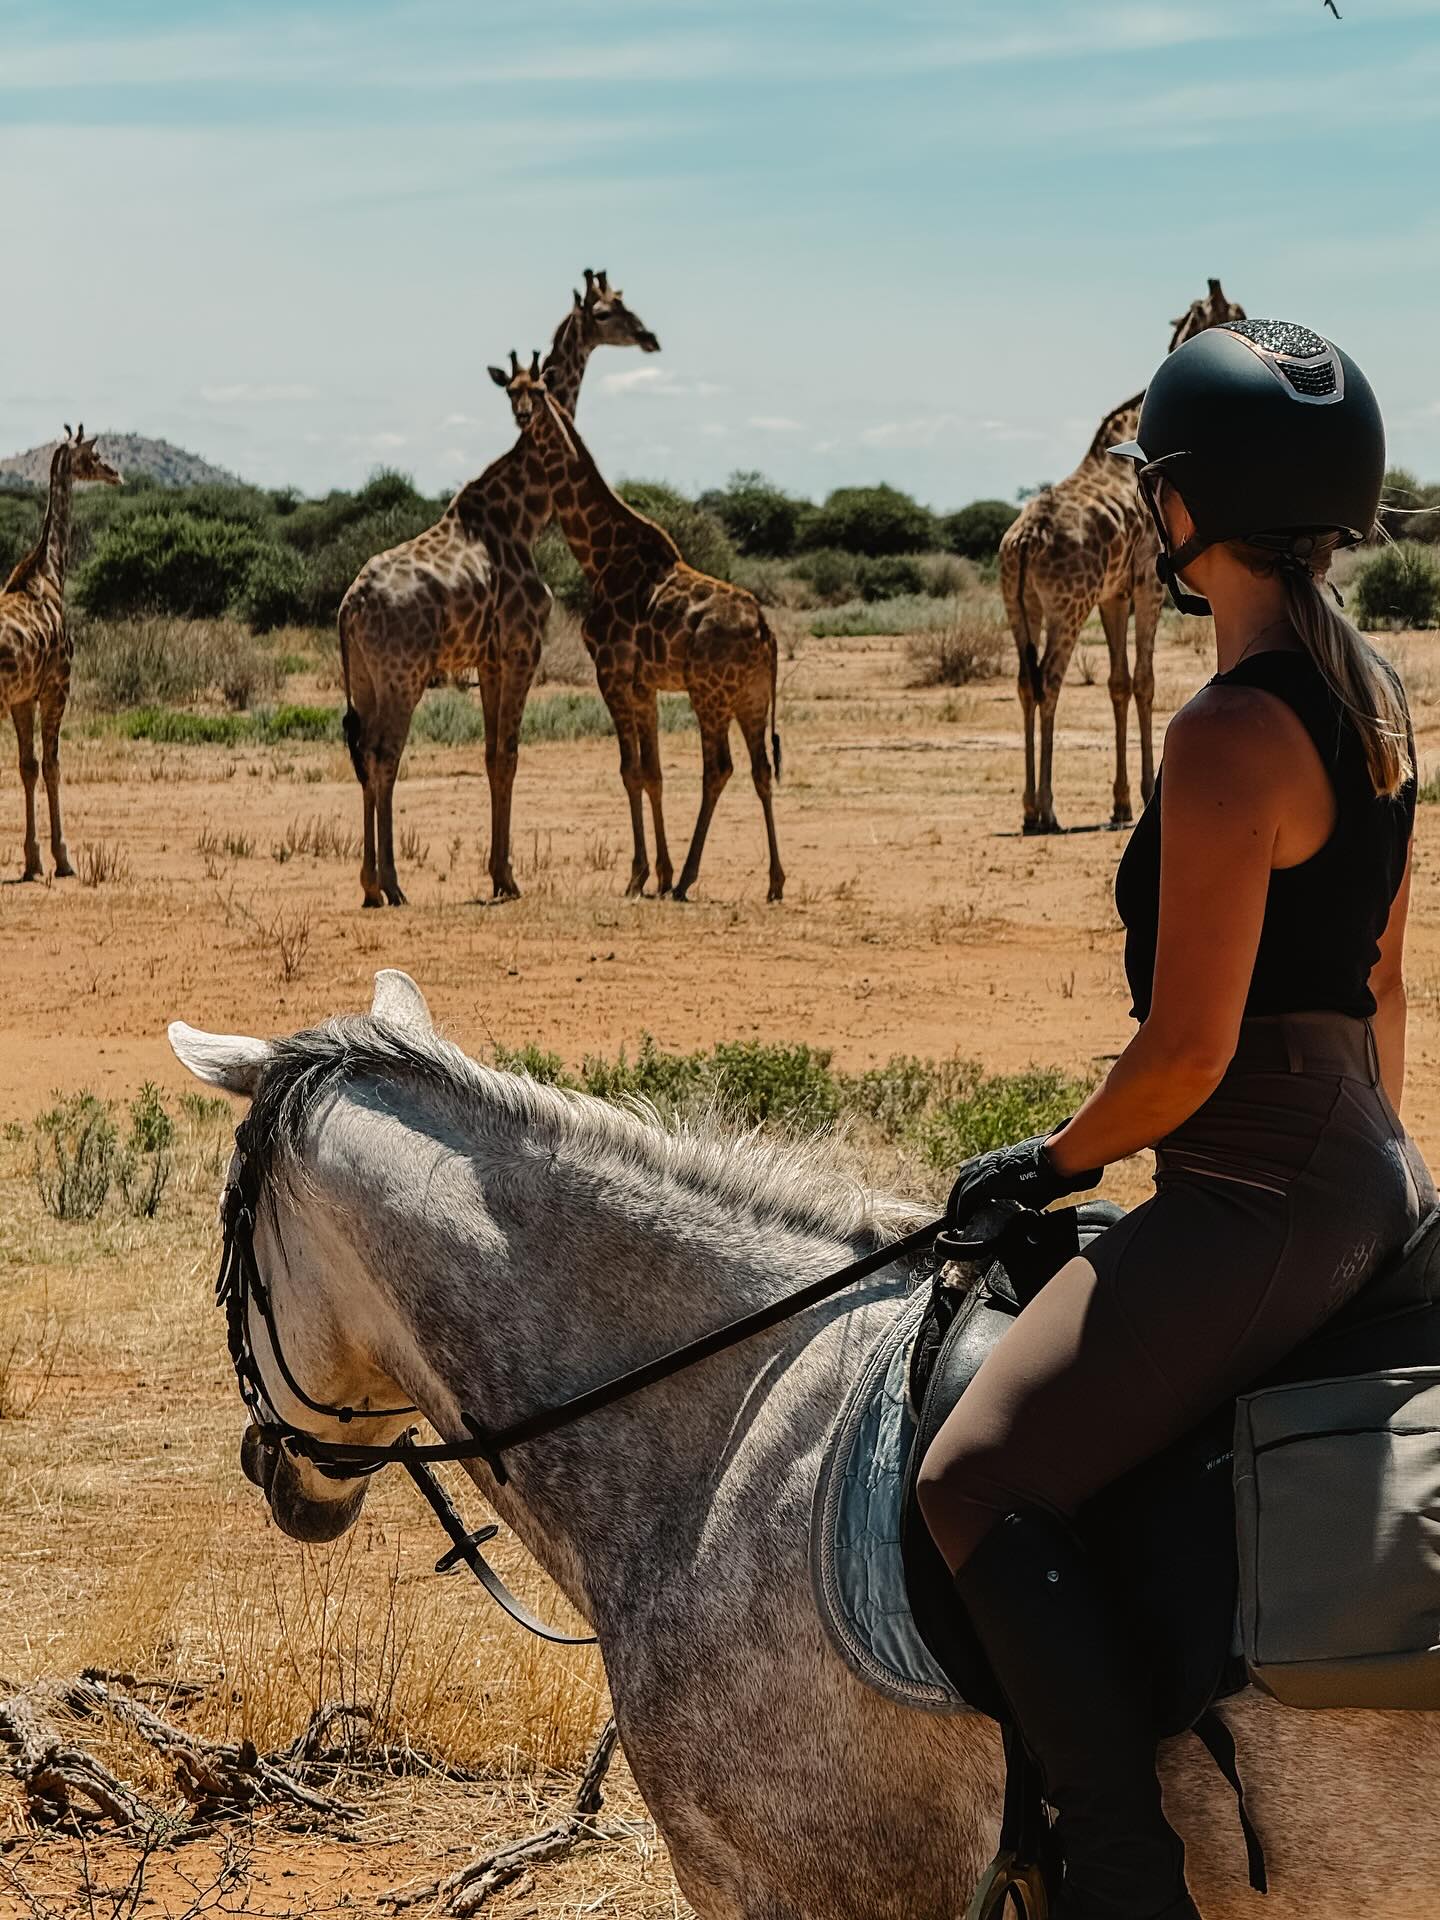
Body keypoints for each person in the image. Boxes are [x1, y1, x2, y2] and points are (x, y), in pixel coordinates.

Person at [917, 319, 1435, 1920]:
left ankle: (1122, 1873)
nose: (1144, 517)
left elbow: (1187, 1054)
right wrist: (1380, 1206)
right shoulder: (1372, 699)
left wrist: (1051, 1162)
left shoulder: (1223, 737)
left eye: (1156, 492)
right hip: (1364, 1167)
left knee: (971, 1481)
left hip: (1256, 1181)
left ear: (1193, 512)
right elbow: (1387, 991)